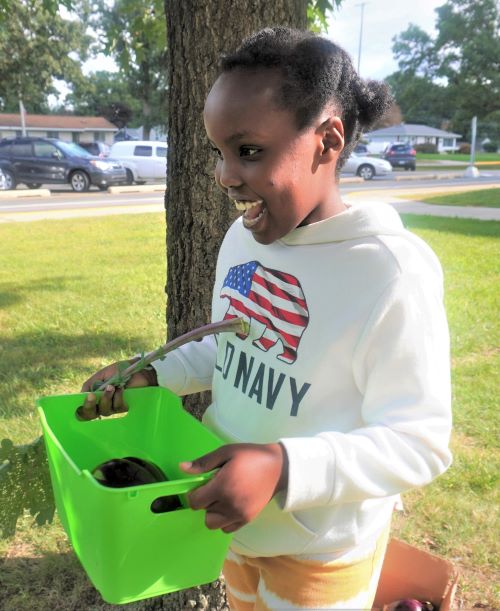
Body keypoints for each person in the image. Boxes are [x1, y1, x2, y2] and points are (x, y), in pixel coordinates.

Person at [82, 27, 452, 610]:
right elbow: (234, 346)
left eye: (249, 151)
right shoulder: (245, 237)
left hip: (320, 554)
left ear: (327, 141)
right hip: (233, 528)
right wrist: (155, 373)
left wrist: (283, 466)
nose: (225, 176)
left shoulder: (390, 274)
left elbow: (419, 441)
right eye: (219, 152)